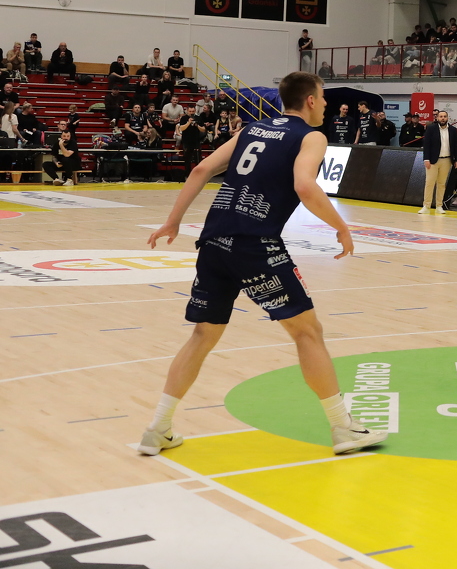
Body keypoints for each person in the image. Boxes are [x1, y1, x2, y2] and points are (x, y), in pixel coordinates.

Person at [135, 72, 387, 457]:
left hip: (213, 239)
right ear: (311, 100)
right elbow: (305, 185)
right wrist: (341, 226)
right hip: (254, 243)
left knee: (203, 335)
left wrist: (173, 221)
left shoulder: (252, 128)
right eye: (322, 97)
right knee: (308, 332)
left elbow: (201, 170)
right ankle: (343, 428)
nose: (325, 104)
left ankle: (158, 428)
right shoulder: (311, 136)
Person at [419, 109, 457, 214]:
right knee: (429, 183)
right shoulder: (431, 129)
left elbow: (456, 146)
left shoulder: (453, 130)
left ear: (447, 118)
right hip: (433, 160)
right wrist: (426, 159)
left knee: (442, 184)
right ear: (437, 118)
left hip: (447, 160)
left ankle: (439, 206)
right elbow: (426, 145)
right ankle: (426, 206)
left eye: (444, 116)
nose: (443, 118)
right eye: (441, 116)